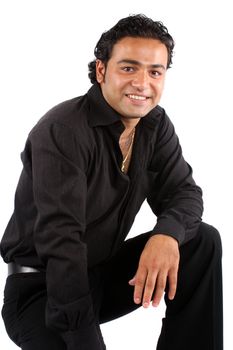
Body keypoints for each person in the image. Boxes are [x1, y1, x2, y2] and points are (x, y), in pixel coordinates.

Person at [0, 14, 223, 350]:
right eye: (129, 68)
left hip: (99, 277)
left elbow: (185, 193)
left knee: (201, 241)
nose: (142, 83)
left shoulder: (155, 125)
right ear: (101, 70)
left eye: (155, 72)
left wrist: (167, 234)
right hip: (41, 293)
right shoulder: (63, 131)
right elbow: (63, 244)